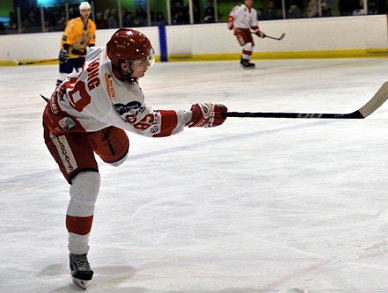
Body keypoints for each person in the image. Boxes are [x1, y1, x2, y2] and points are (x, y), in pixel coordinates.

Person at [42, 28, 227, 290]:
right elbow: (149, 124)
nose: (146, 67)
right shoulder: (117, 98)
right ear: (123, 63)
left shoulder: (108, 55)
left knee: (118, 157)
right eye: (141, 62)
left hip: (92, 116)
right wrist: (194, 116)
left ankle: (92, 136)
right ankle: (78, 253)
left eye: (146, 59)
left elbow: (91, 57)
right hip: (63, 124)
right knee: (87, 183)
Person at [57, 2, 96, 86]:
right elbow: (66, 38)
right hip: (69, 54)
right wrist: (64, 50)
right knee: (64, 76)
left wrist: (92, 53)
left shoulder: (92, 25)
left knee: (82, 76)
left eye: (88, 10)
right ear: (80, 12)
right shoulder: (73, 23)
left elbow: (91, 42)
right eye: (83, 10)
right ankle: (56, 96)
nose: (86, 12)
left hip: (81, 55)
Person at [227, 0, 266, 69]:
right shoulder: (239, 7)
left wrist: (259, 32)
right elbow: (231, 15)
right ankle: (243, 61)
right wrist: (230, 23)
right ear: (245, 0)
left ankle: (246, 60)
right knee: (248, 45)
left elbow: (253, 25)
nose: (250, 1)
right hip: (239, 30)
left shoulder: (254, 11)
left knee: (251, 46)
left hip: (247, 30)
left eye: (251, 0)